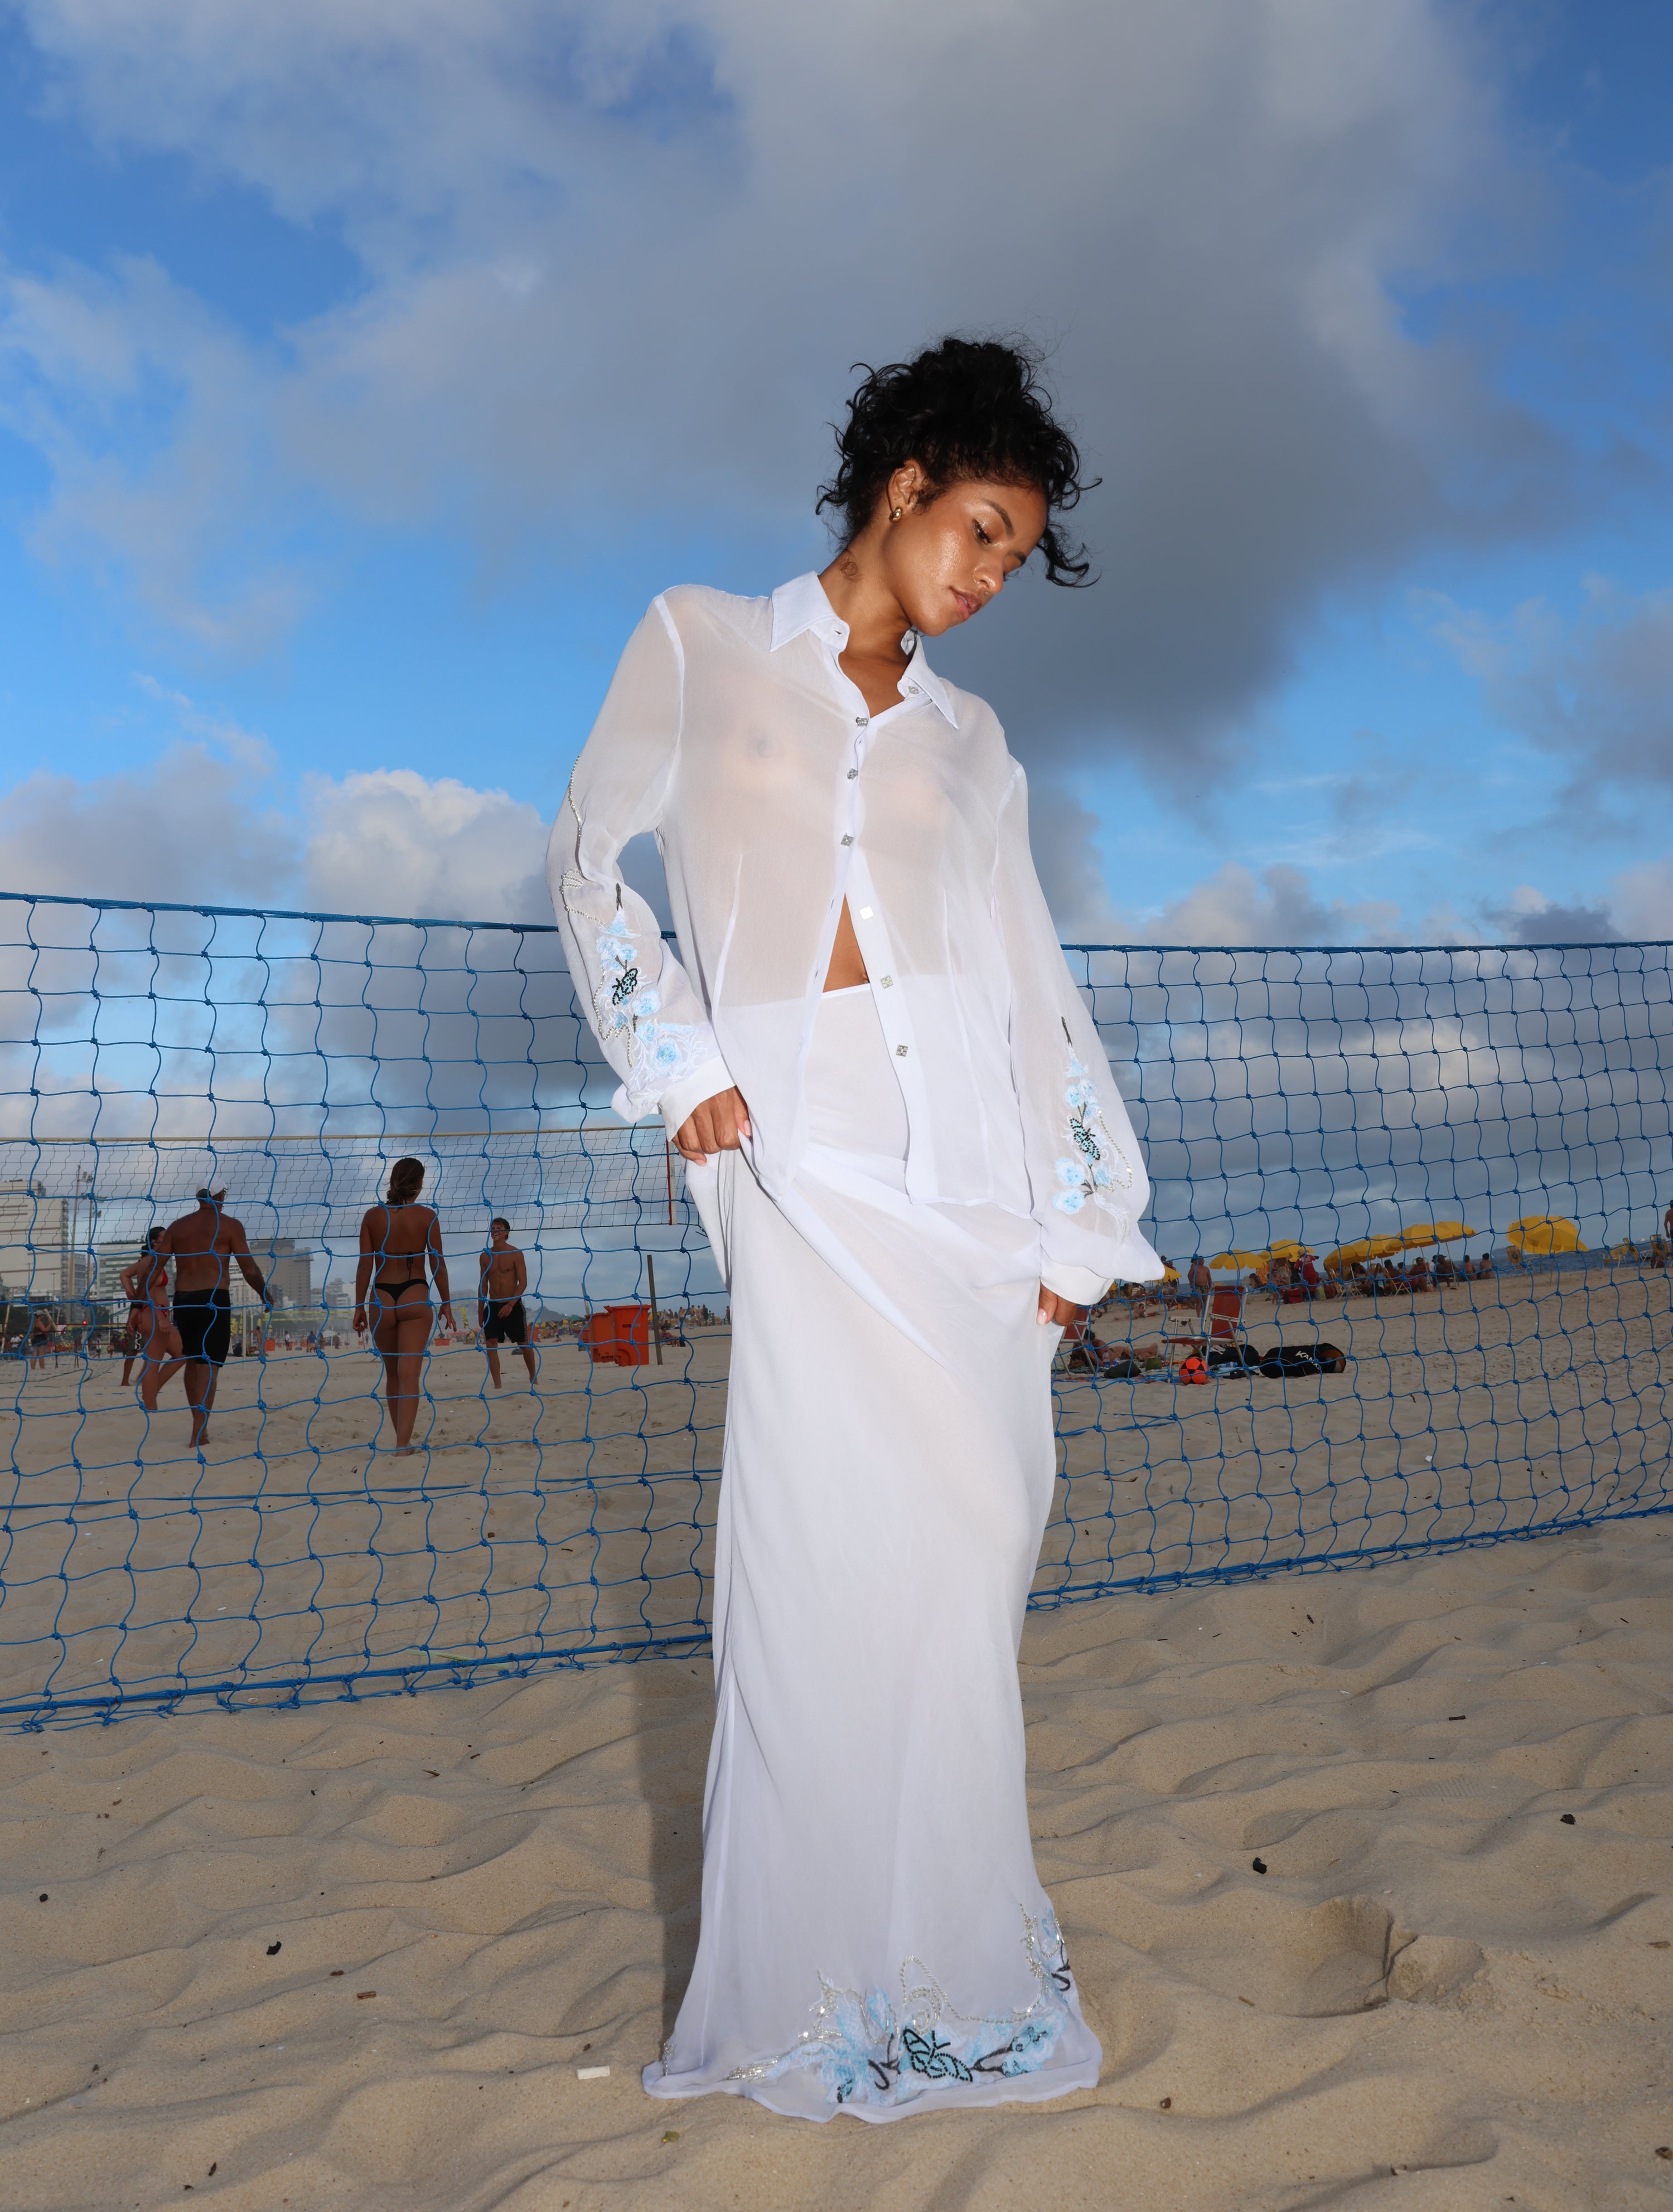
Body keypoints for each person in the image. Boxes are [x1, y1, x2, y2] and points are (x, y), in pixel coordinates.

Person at [550, 337, 1159, 2123]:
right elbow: (585, 855)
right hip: (799, 1168)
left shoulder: (974, 744)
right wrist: (675, 1057)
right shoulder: (698, 642)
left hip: (973, 1176)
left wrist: (1079, 1216)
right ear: (904, 485)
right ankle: (808, 1995)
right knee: (814, 1571)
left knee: (966, 1560)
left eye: (1013, 557)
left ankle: (956, 1979)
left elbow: (1027, 977)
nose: (989, 580)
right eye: (980, 532)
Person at [144, 1189, 274, 1450]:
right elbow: (249, 1268)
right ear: (221, 1196)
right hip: (214, 1299)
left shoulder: (178, 1227)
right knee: (209, 1366)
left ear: (198, 1197)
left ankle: (197, 1425)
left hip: (184, 1300)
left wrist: (138, 1304)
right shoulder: (230, 1225)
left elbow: (155, 1266)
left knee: (193, 1362)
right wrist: (265, 1294)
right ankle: (199, 1433)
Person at [353, 1158, 454, 1454]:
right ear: (419, 1184)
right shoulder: (427, 1217)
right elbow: (438, 1264)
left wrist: (359, 1307)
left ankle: (402, 1441)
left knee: (393, 1374)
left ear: (393, 1180)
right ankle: (402, 1446)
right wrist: (446, 1303)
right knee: (410, 1374)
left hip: (381, 1297)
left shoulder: (373, 1216)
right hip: (415, 1293)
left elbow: (364, 1266)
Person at [478, 1217, 539, 1391]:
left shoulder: (515, 1253)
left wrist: (511, 1305)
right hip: (492, 1305)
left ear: (506, 1232)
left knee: (524, 1344)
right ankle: (498, 1385)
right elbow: (483, 1284)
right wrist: (480, 1309)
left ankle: (533, 1378)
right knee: (491, 1345)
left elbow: (523, 1282)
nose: (495, 1230)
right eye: (493, 1228)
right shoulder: (485, 1256)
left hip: (513, 1305)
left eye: (499, 1228)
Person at [119, 1227, 178, 1393]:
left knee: (178, 1353)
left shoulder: (148, 1261)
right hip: (153, 1313)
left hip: (152, 1312)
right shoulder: (152, 1261)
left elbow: (124, 1274)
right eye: (164, 1238)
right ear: (154, 1242)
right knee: (151, 1358)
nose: (168, 1240)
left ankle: (146, 1385)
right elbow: (148, 1289)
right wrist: (160, 1317)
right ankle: (148, 1390)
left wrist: (130, 1290)